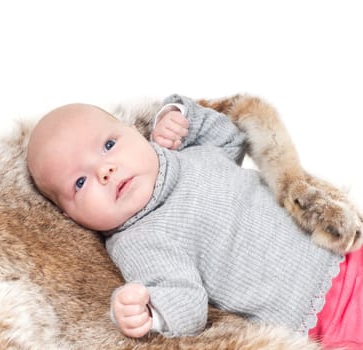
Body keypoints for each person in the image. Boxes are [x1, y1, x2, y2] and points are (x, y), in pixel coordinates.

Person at [27, 94, 363, 349]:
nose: (104, 170)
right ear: (71, 217)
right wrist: (146, 310)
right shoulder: (137, 239)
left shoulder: (186, 153)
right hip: (324, 315)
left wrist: (179, 116)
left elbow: (231, 138)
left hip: (344, 247)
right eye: (80, 183)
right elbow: (188, 304)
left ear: (134, 132)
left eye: (109, 145)